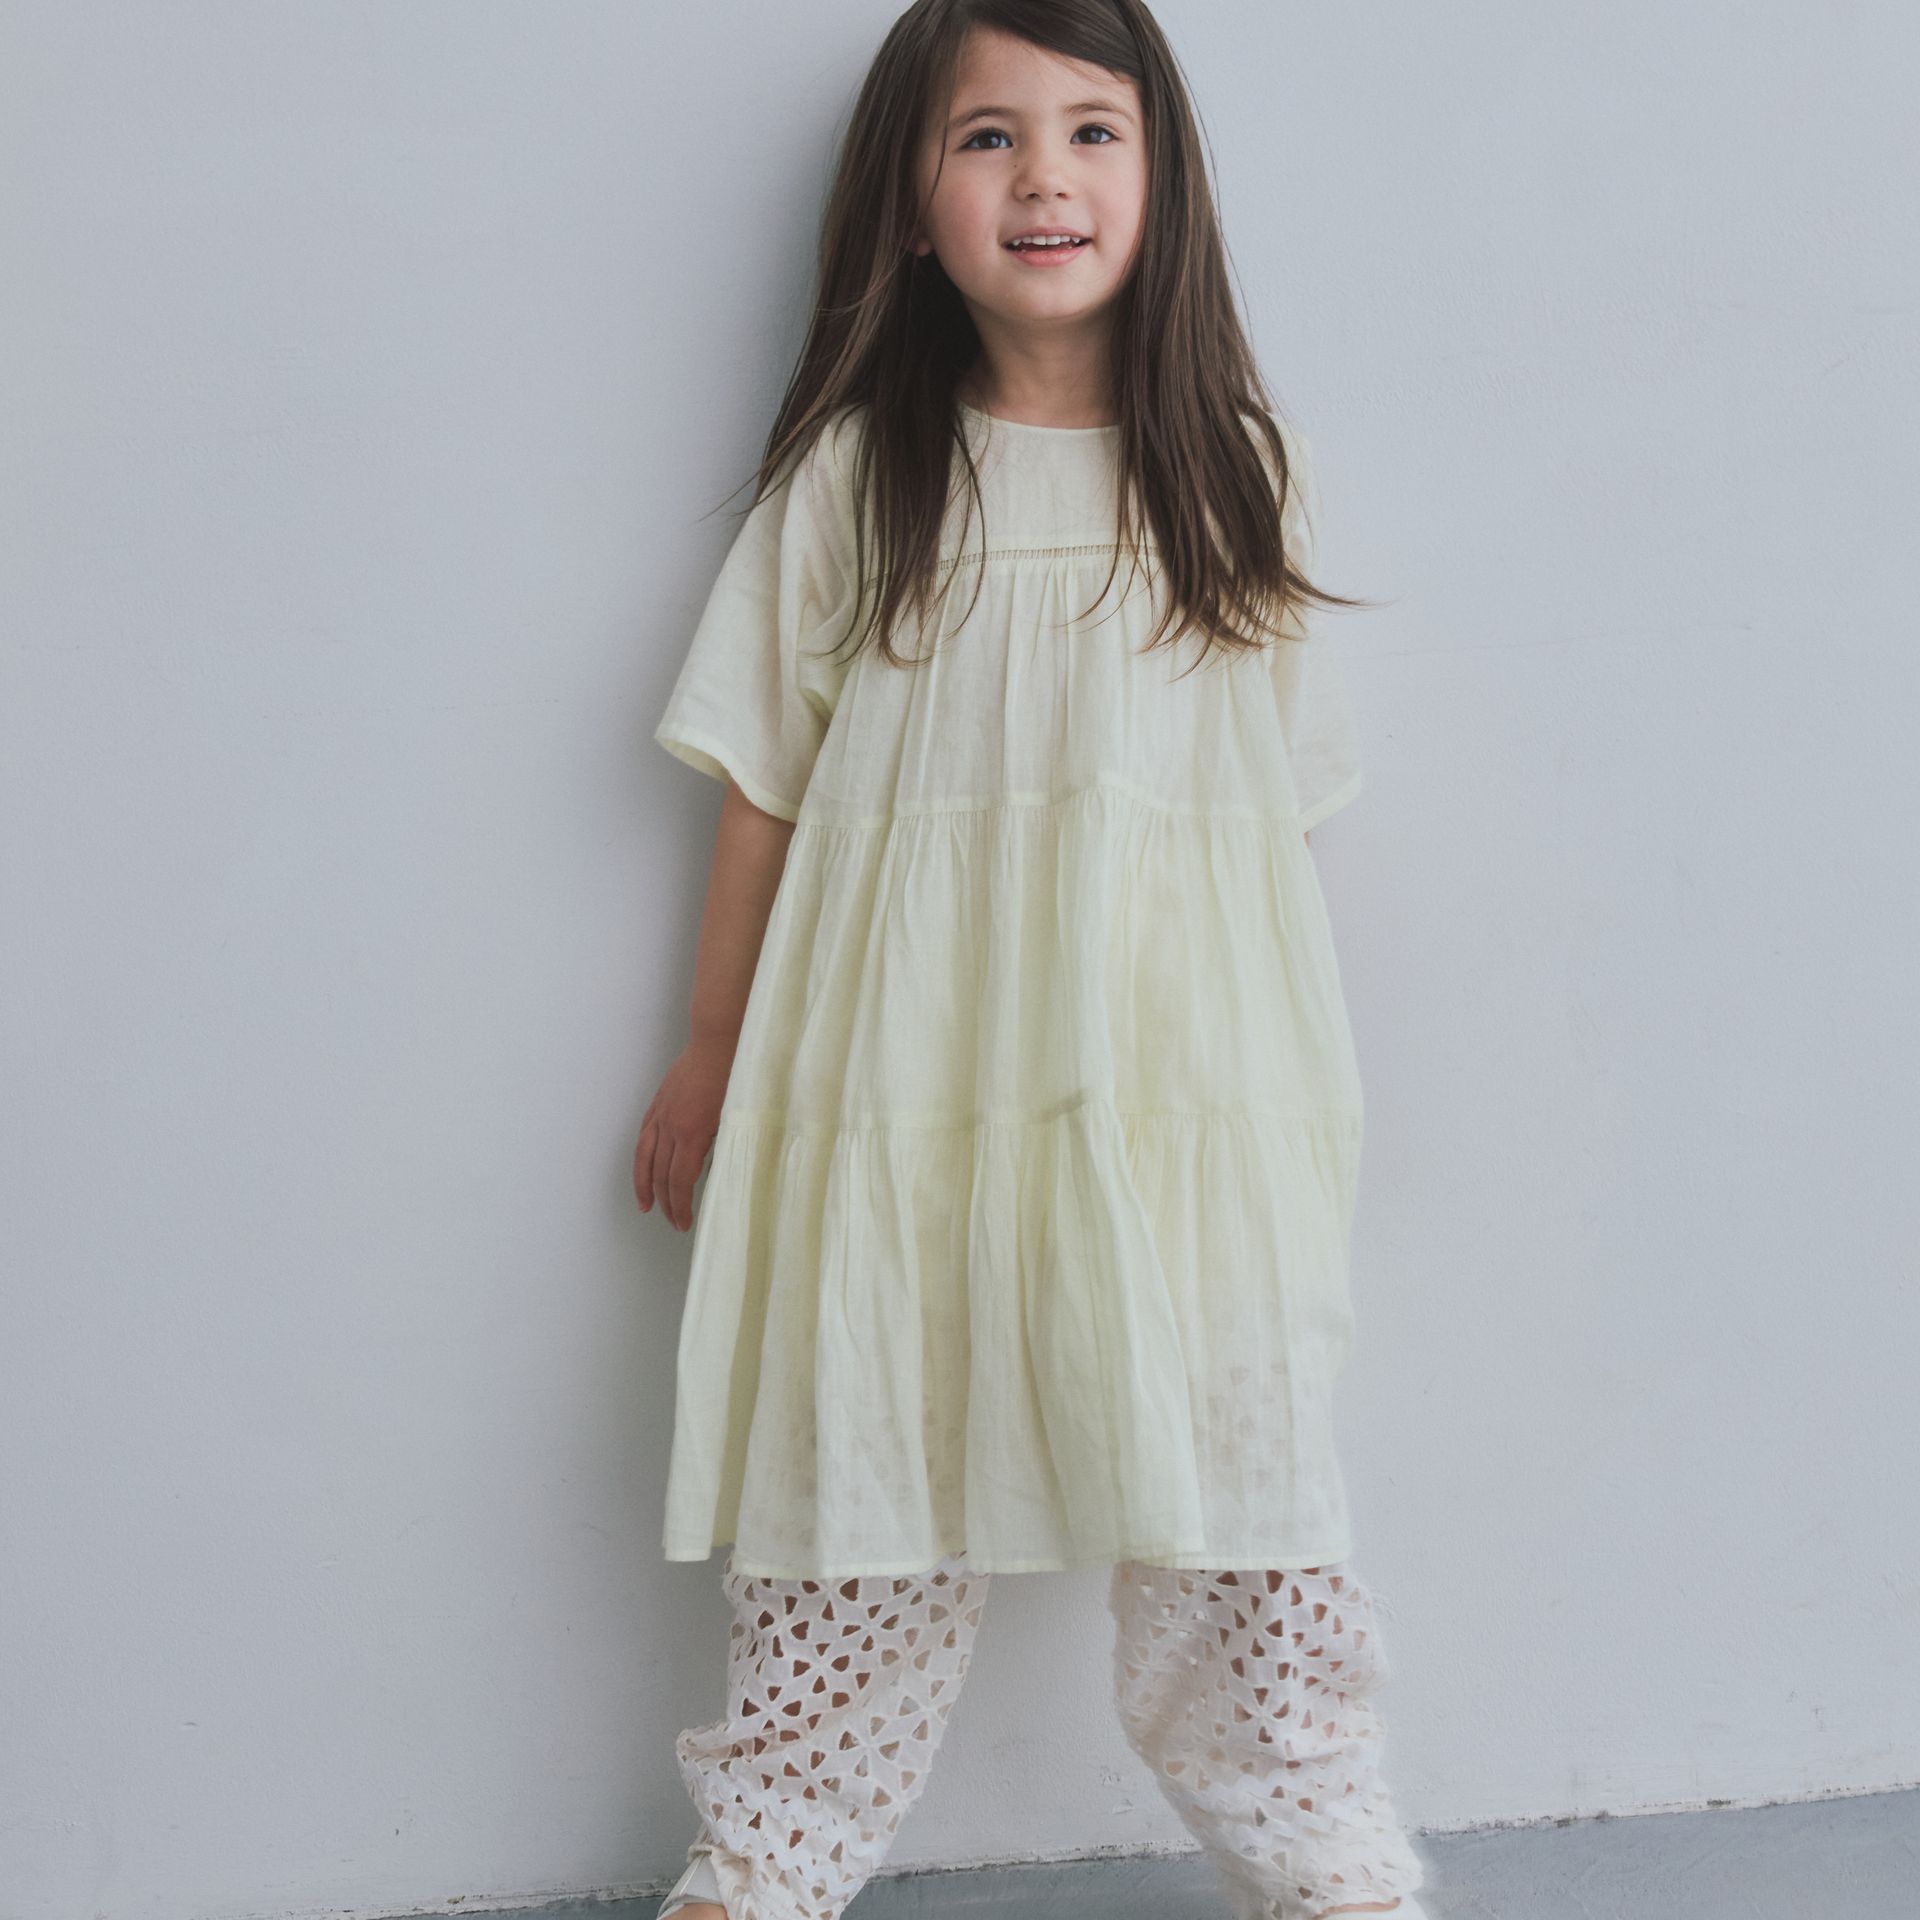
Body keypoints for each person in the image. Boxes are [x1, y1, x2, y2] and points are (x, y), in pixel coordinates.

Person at [632, 3, 1432, 1915]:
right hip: (904, 1071)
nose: (1045, 177)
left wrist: (1272, 1085)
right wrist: (712, 1044)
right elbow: (763, 783)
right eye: (987, 136)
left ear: (1164, 181)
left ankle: (1321, 1845)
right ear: (911, 202)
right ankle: (770, 1852)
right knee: (864, 1441)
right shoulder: (860, 478)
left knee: (1239, 1463)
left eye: (1093, 130)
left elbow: (1269, 817)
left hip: (1182, 1079)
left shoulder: (1234, 472)